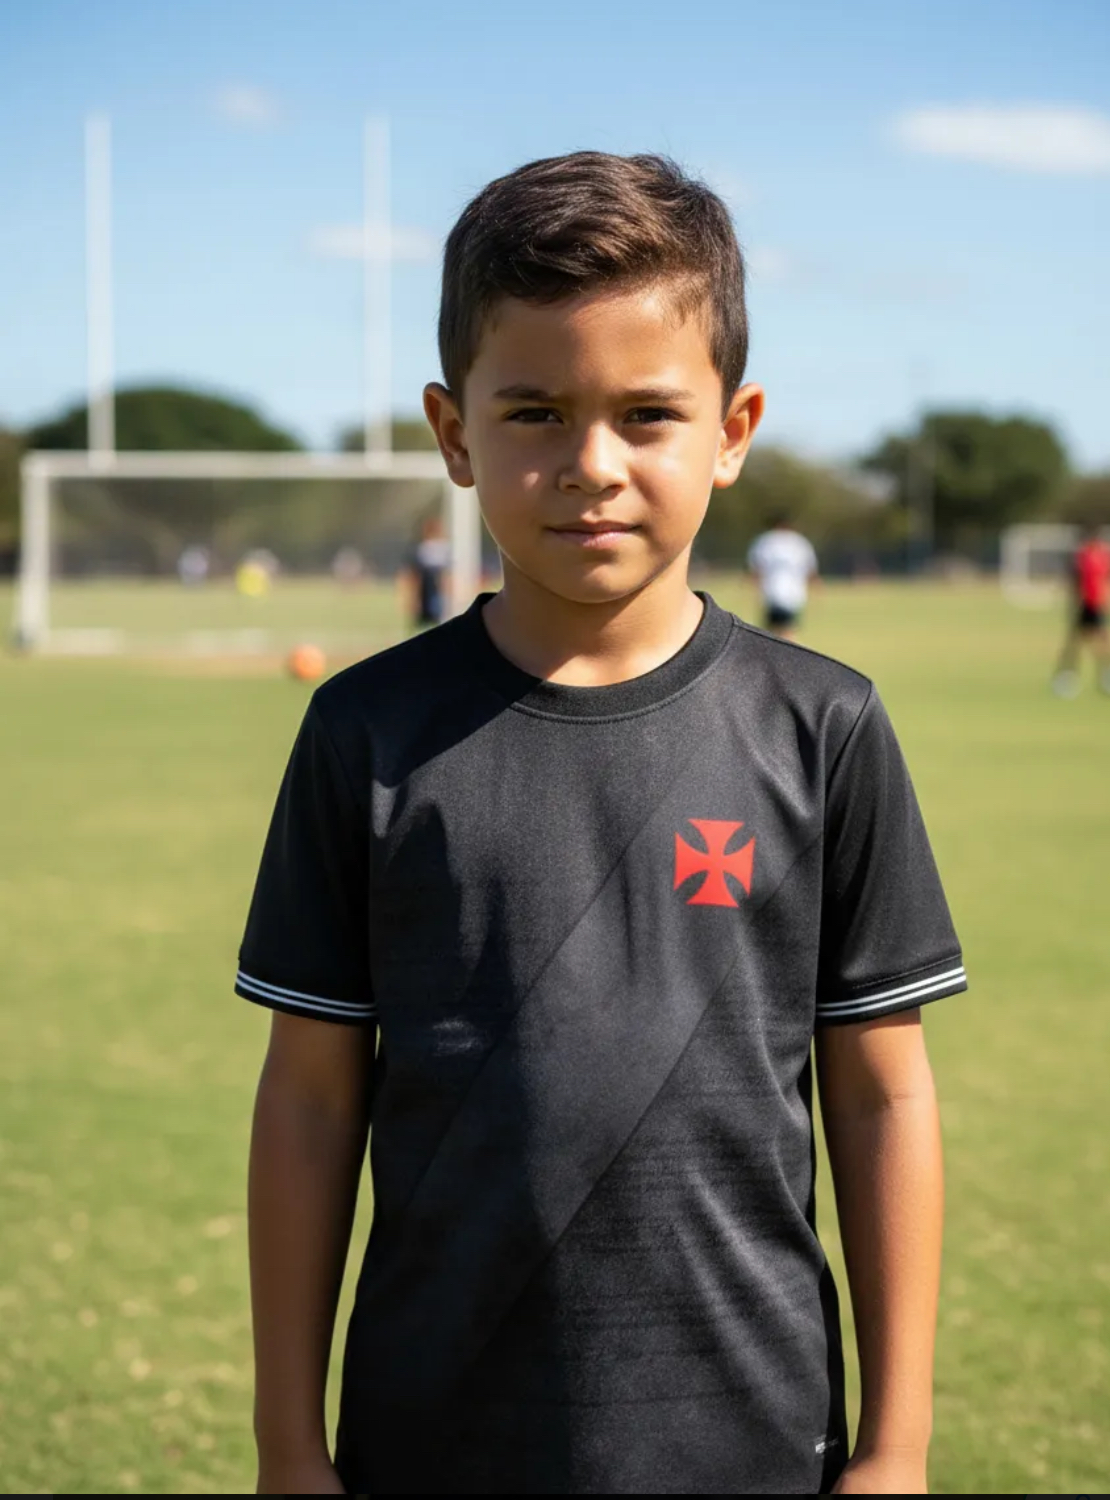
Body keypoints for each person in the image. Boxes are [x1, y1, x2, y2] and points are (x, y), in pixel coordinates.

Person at [238, 152, 966, 1497]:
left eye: (645, 414)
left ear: (732, 430)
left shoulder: (825, 730)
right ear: (453, 434)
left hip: (752, 1439)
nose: (590, 465)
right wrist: (291, 1447)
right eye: (532, 412)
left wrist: (896, 1447)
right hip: (432, 1438)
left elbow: (882, 1093)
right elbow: (306, 1096)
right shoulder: (365, 733)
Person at [1052, 523, 1110, 697]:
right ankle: (1068, 677)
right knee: (1075, 642)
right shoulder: (1083, 554)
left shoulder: (1102, 554)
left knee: (1103, 641)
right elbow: (1075, 578)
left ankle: (1109, 676)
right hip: (1085, 603)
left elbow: (1108, 578)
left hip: (1098, 603)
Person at [747, 508, 819, 637]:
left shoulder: (765, 541)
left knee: (771, 632)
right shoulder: (799, 542)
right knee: (787, 631)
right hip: (793, 594)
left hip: (772, 593)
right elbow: (810, 569)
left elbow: (756, 569)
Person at [408, 514, 450, 627]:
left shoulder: (439, 547)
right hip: (428, 585)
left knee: (435, 609)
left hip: (435, 584)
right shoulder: (424, 547)